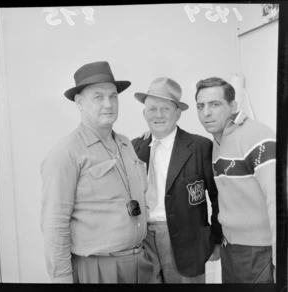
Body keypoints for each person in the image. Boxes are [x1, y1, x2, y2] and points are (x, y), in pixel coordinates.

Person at [40, 61, 154, 283]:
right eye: (98, 97)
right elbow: (55, 224)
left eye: (113, 96)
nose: (108, 104)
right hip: (98, 269)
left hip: (139, 264)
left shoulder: (125, 144)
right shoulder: (66, 153)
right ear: (79, 102)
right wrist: (62, 279)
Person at [131, 77, 222, 283]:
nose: (159, 115)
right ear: (144, 113)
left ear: (178, 114)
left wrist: (216, 240)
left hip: (188, 244)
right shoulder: (134, 148)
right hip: (143, 240)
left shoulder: (200, 147)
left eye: (166, 109)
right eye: (152, 109)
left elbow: (217, 199)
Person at [195, 77, 276, 283]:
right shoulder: (217, 142)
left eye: (215, 104)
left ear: (232, 106)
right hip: (230, 248)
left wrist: (280, 259)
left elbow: (278, 201)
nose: (206, 113)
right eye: (201, 106)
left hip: (260, 251)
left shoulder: (257, 136)